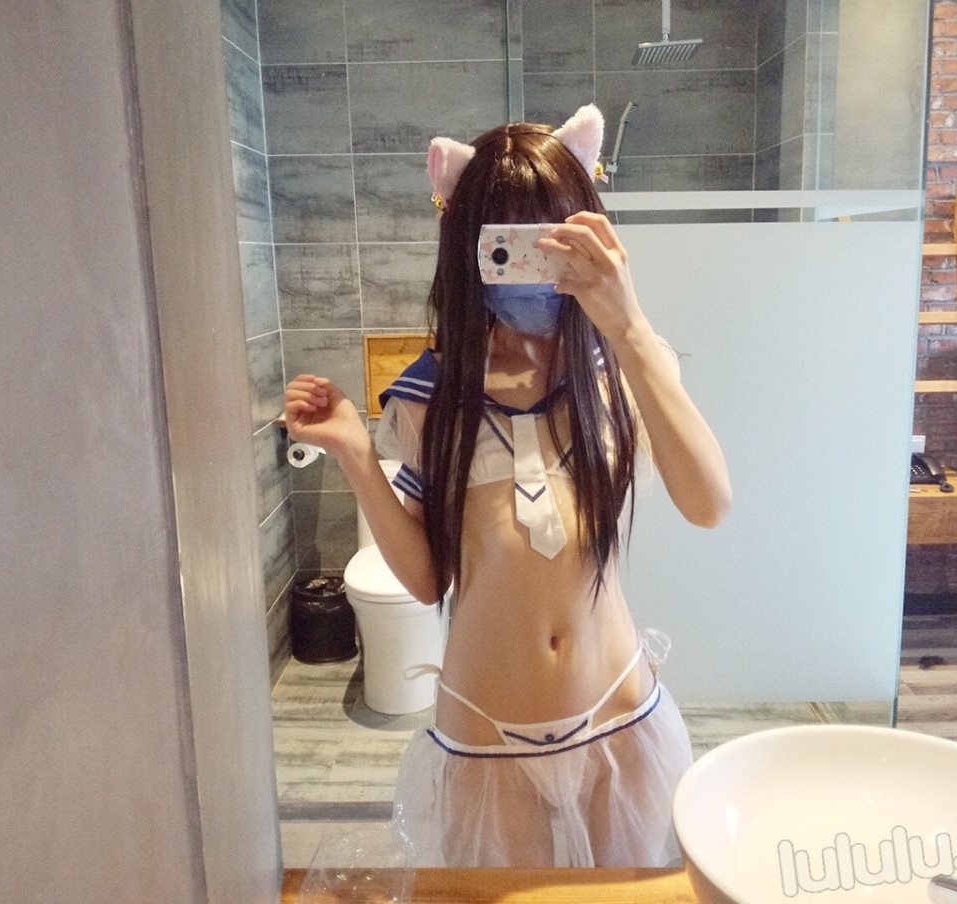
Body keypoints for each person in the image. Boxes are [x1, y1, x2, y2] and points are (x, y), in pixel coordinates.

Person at [284, 103, 731, 868]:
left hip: (620, 717)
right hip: (483, 732)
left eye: (550, 238)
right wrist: (356, 455)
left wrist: (626, 325)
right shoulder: (429, 395)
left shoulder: (624, 367)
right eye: (506, 242)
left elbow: (708, 504)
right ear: (467, 249)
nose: (531, 263)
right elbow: (428, 581)